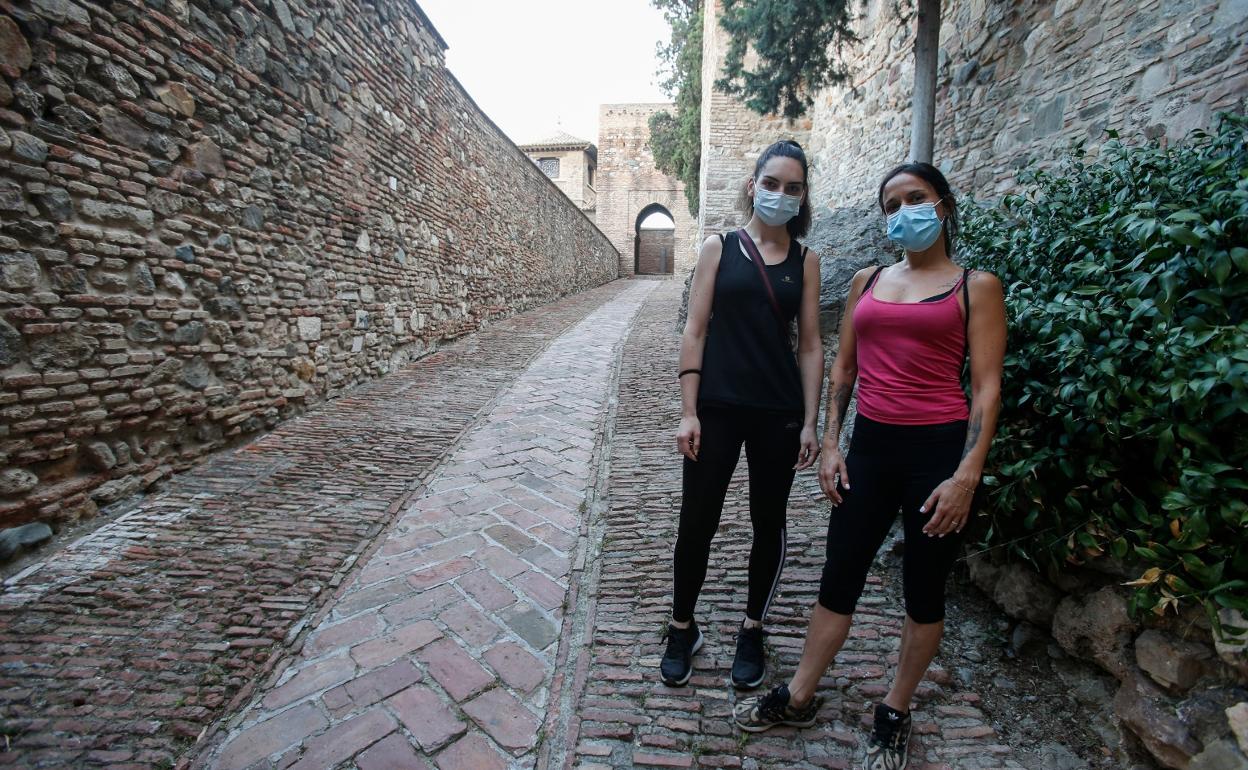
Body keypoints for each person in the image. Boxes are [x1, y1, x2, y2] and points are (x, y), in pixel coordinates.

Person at [733, 162, 1007, 770]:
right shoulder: (867, 280)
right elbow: (844, 371)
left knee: (924, 591)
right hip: (871, 451)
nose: (904, 210)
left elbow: (987, 390)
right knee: (839, 575)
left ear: (943, 204)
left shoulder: (975, 287)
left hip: (937, 456)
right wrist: (832, 443)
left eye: (916, 198)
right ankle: (802, 691)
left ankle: (894, 710)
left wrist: (966, 476)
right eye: (893, 203)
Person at [661, 140, 824, 690]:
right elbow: (695, 329)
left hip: (777, 411)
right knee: (697, 520)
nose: (781, 195)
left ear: (802, 198)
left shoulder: (807, 261)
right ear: (753, 185)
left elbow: (809, 345)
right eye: (772, 183)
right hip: (718, 408)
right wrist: (688, 410)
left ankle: (753, 627)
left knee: (767, 522)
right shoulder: (720, 247)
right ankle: (682, 625)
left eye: (793, 188)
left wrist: (810, 422)